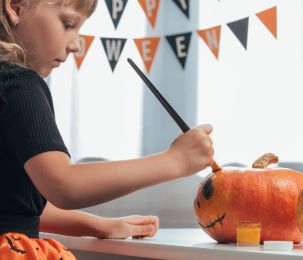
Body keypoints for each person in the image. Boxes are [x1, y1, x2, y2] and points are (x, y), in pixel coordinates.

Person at [0, 0, 215, 259]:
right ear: (16, 6)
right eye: (68, 24)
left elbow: (14, 204)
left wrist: (98, 225)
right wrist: (174, 161)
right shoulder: (19, 84)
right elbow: (63, 185)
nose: (75, 45)